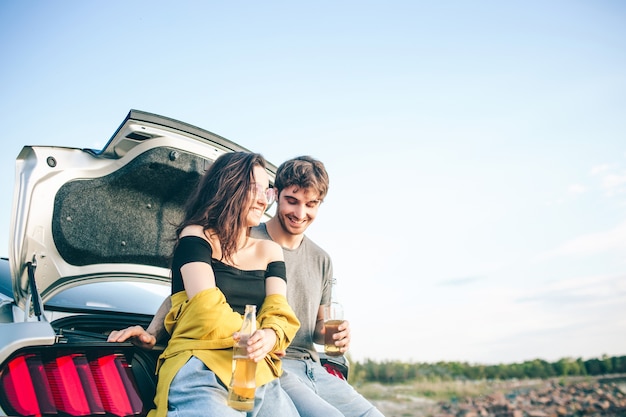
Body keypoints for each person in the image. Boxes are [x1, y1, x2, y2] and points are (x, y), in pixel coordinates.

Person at [109, 156, 384, 417]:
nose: (300, 212)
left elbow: (283, 314)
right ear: (232, 188)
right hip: (214, 360)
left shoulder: (279, 252)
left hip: (267, 365)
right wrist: (153, 332)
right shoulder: (209, 234)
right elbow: (193, 302)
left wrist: (279, 335)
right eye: (290, 200)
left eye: (311, 204)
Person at [140, 151, 301, 417]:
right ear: (228, 187)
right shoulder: (195, 236)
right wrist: (261, 336)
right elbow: (206, 309)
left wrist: (271, 336)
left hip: (256, 371)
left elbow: (280, 312)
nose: (263, 200)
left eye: (267, 191)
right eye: (254, 189)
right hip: (201, 365)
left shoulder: (271, 251)